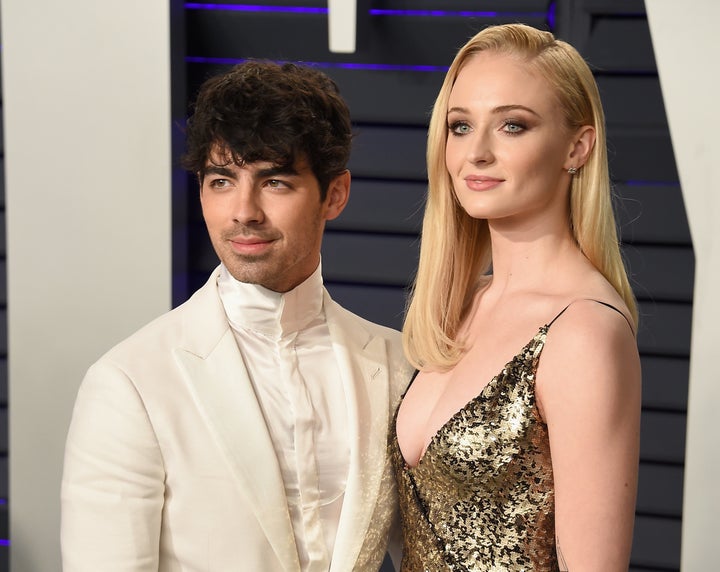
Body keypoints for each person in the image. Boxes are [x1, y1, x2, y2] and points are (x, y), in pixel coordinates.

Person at [61, 61, 411, 572]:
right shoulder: (130, 383)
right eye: (222, 181)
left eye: (275, 182)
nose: (243, 211)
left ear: (334, 194)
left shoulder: (398, 364)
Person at [392, 24, 641, 571]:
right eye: (460, 126)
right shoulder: (459, 307)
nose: (476, 153)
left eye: (512, 125)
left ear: (577, 147)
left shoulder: (584, 332)